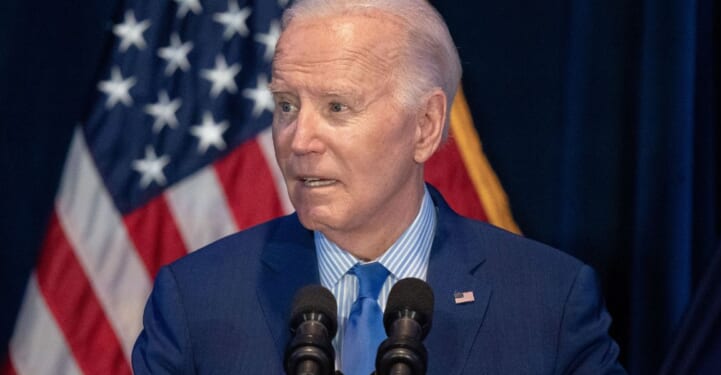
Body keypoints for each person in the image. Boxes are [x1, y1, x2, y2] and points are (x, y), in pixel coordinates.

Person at [132, 0, 626, 373]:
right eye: (286, 105)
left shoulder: (549, 304)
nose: (299, 140)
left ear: (426, 126)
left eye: (337, 108)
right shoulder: (195, 302)